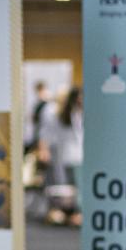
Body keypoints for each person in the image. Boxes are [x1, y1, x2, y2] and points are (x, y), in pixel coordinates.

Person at [38, 86, 84, 226]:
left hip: (79, 157)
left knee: (78, 187)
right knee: (61, 184)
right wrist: (43, 149)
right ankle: (59, 211)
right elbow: (46, 134)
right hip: (65, 155)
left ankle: (77, 212)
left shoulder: (82, 114)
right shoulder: (56, 113)